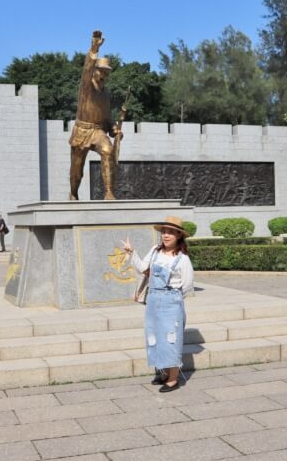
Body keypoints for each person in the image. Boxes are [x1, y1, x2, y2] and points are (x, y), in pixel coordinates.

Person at [122, 216, 194, 392]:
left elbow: (187, 285)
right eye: (164, 232)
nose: (166, 235)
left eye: (170, 232)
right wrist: (132, 253)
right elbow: (142, 268)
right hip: (153, 300)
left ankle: (173, 378)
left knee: (171, 339)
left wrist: (171, 298)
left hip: (172, 301)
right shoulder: (155, 251)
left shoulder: (183, 258)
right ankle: (162, 372)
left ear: (179, 235)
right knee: (154, 336)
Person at [69, 30, 125, 200]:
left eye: (107, 72)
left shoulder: (106, 94)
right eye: (102, 71)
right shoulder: (86, 87)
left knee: (108, 150)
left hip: (98, 132)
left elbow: (106, 118)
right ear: (95, 71)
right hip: (82, 131)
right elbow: (86, 69)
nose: (104, 75)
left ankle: (108, 192)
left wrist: (114, 129)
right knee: (76, 171)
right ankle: (73, 192)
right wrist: (94, 48)